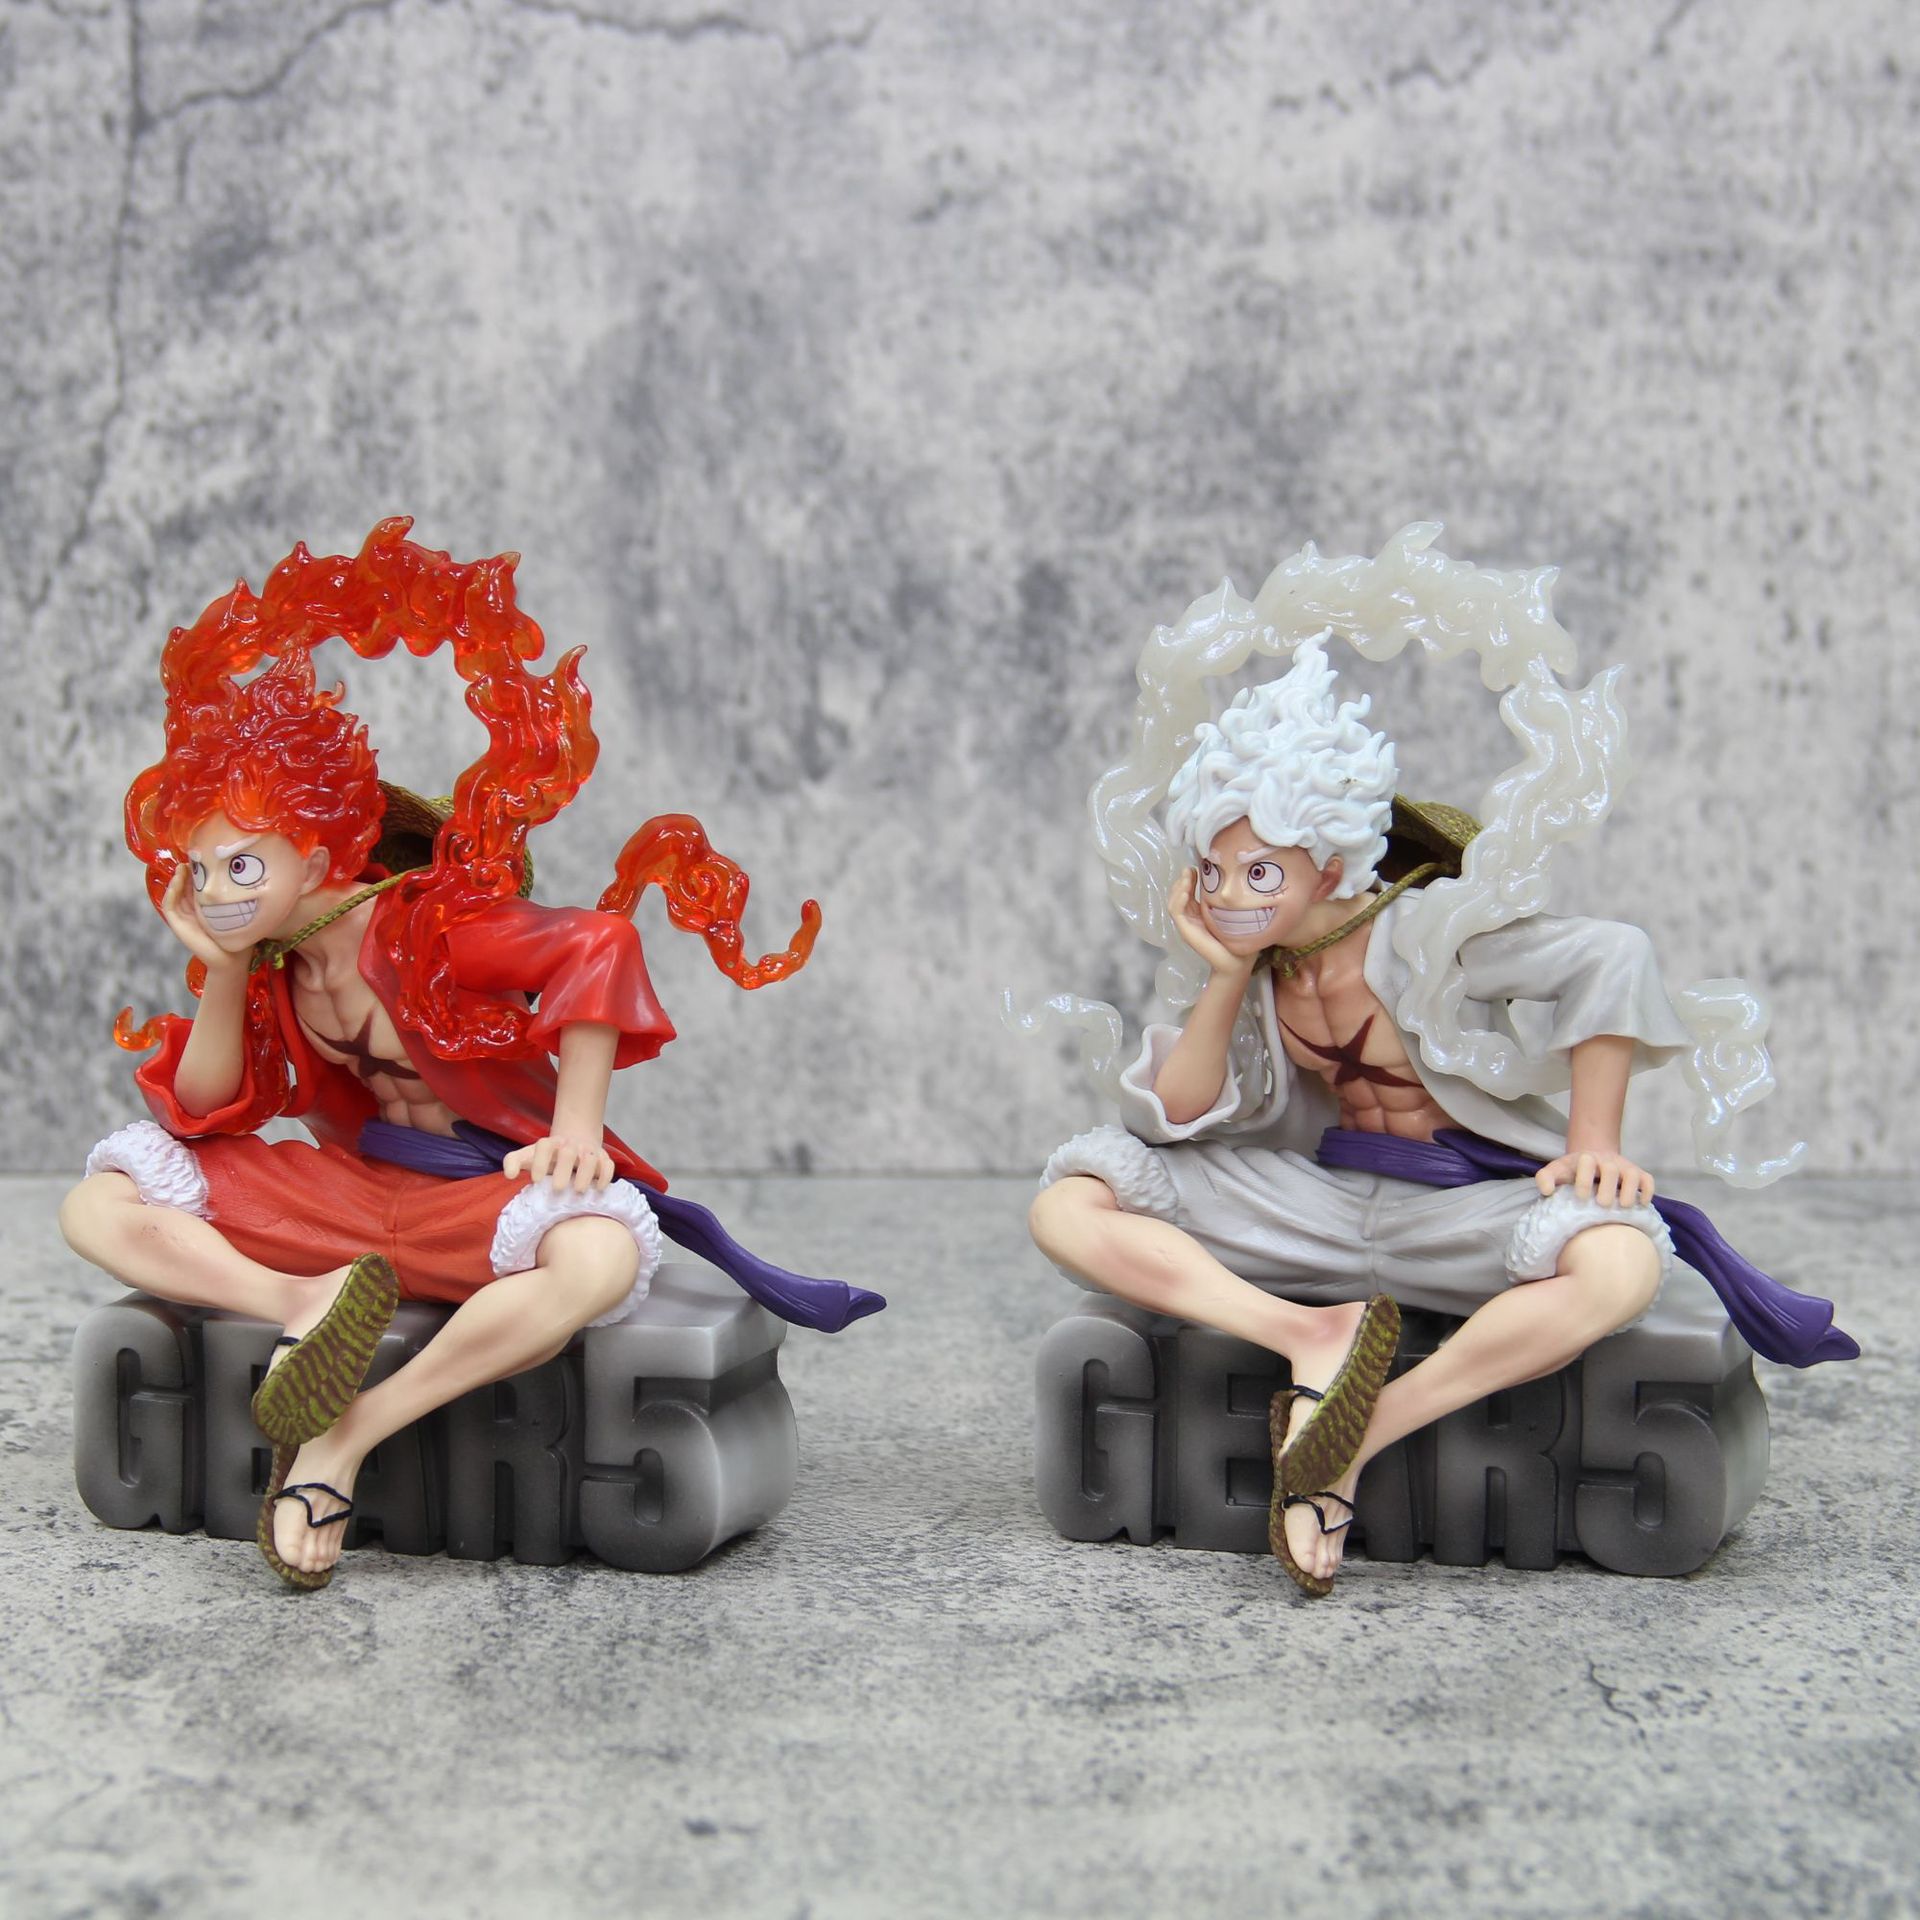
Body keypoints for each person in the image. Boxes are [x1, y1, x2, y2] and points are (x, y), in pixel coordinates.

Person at [60, 521, 880, 1591]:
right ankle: (302, 1309)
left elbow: (599, 944)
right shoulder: (270, 965)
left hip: (474, 1199)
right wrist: (220, 967)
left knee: (598, 1259)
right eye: (201, 870)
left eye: (241, 866)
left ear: (319, 851)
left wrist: (575, 1134)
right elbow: (205, 1110)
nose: (215, 893)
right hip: (351, 1206)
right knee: (103, 1200)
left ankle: (347, 1436)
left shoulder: (428, 928)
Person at [1028, 633, 1850, 1595]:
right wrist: (1225, 974)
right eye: (1212, 872)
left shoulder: (1424, 931)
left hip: (1454, 1209)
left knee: (1620, 1266)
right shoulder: (1259, 966)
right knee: (1071, 1202)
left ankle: (1359, 1433)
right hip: (1320, 1202)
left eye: (1260, 874)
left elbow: (1611, 955)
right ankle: (1311, 1336)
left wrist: (1594, 1143)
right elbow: (1176, 1111)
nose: (1229, 897)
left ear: (1329, 866)